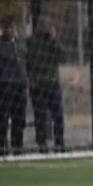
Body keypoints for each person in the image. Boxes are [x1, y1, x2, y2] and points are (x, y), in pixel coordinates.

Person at [0, 17, 28, 156]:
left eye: (13, 27)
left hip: (19, 86)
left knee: (19, 119)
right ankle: (1, 146)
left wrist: (25, 81)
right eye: (9, 27)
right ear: (4, 29)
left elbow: (25, 64)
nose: (12, 30)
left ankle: (18, 146)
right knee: (3, 118)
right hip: (3, 86)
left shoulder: (21, 44)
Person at [26, 19, 66, 153]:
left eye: (48, 26)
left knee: (58, 115)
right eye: (43, 26)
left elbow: (63, 57)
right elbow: (27, 61)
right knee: (40, 115)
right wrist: (30, 79)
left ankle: (59, 142)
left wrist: (54, 40)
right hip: (37, 84)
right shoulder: (31, 42)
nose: (46, 29)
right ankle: (42, 143)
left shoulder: (52, 42)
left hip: (52, 84)